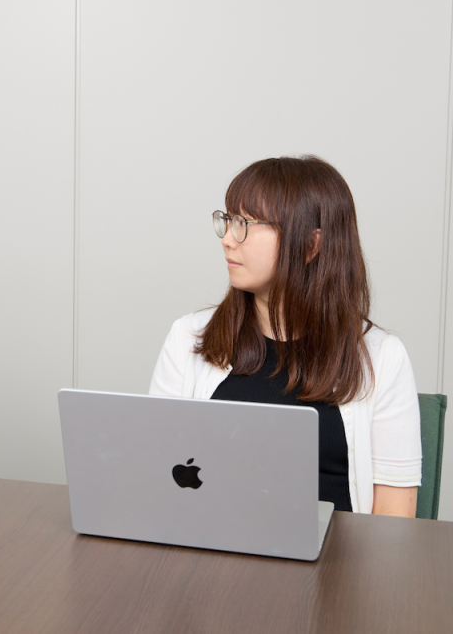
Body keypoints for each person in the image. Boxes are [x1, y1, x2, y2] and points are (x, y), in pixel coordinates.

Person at [149, 156, 421, 516]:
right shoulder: (188, 338)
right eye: (229, 221)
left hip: (334, 568)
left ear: (311, 245)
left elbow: (393, 524)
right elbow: (156, 479)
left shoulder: (382, 357)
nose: (228, 239)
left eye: (244, 224)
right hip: (213, 561)